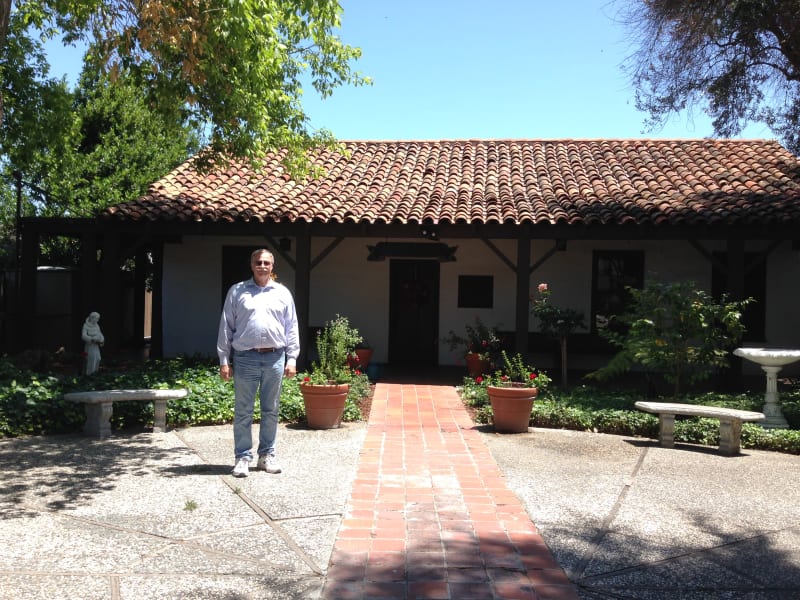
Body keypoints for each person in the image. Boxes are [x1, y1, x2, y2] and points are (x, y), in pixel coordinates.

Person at [217, 249, 299, 478]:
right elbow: (226, 326)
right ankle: (242, 458)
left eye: (266, 262)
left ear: (272, 266)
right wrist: (224, 359)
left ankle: (266, 456)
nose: (262, 265)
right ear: (252, 265)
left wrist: (291, 358)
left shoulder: (282, 293)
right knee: (243, 411)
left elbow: (291, 327)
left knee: (270, 410)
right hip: (245, 358)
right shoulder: (237, 291)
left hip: (275, 357)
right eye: (258, 262)